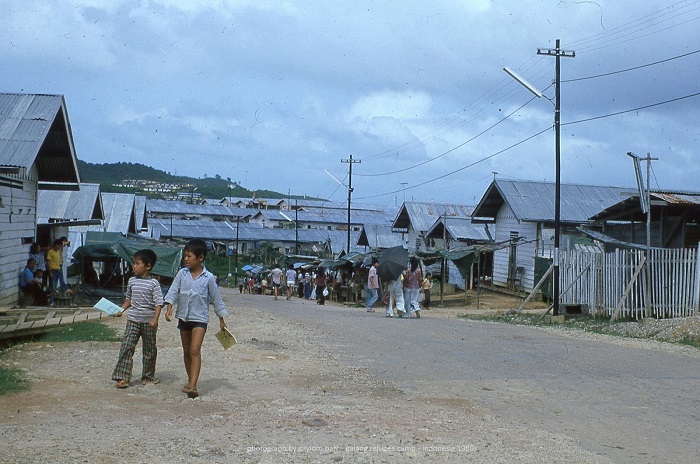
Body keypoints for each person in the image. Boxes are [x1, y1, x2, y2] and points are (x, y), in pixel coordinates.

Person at [164, 239, 229, 399]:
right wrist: (169, 305)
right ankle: (190, 380)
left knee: (194, 350)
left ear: (200, 258)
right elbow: (173, 290)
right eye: (185, 256)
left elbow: (216, 299)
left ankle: (193, 386)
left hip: (200, 319)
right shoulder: (182, 274)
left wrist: (221, 319)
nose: (186, 259)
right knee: (186, 351)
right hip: (184, 317)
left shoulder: (209, 278)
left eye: (189, 256)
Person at [112, 249, 164, 389]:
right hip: (133, 320)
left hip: (148, 322)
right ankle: (123, 377)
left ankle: (148, 376)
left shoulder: (154, 283)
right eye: (133, 263)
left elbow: (158, 303)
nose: (134, 266)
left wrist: (155, 320)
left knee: (149, 350)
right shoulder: (132, 281)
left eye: (137, 263)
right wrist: (121, 310)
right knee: (127, 346)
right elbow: (129, 299)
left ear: (148, 266)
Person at [46, 239, 69, 306]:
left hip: (57, 270)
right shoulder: (50, 252)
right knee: (52, 287)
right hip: (53, 270)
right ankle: (51, 301)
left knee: (55, 286)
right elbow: (48, 262)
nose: (58, 247)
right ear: (54, 245)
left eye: (59, 246)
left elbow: (65, 243)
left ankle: (52, 301)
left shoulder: (58, 251)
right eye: (57, 246)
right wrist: (50, 272)